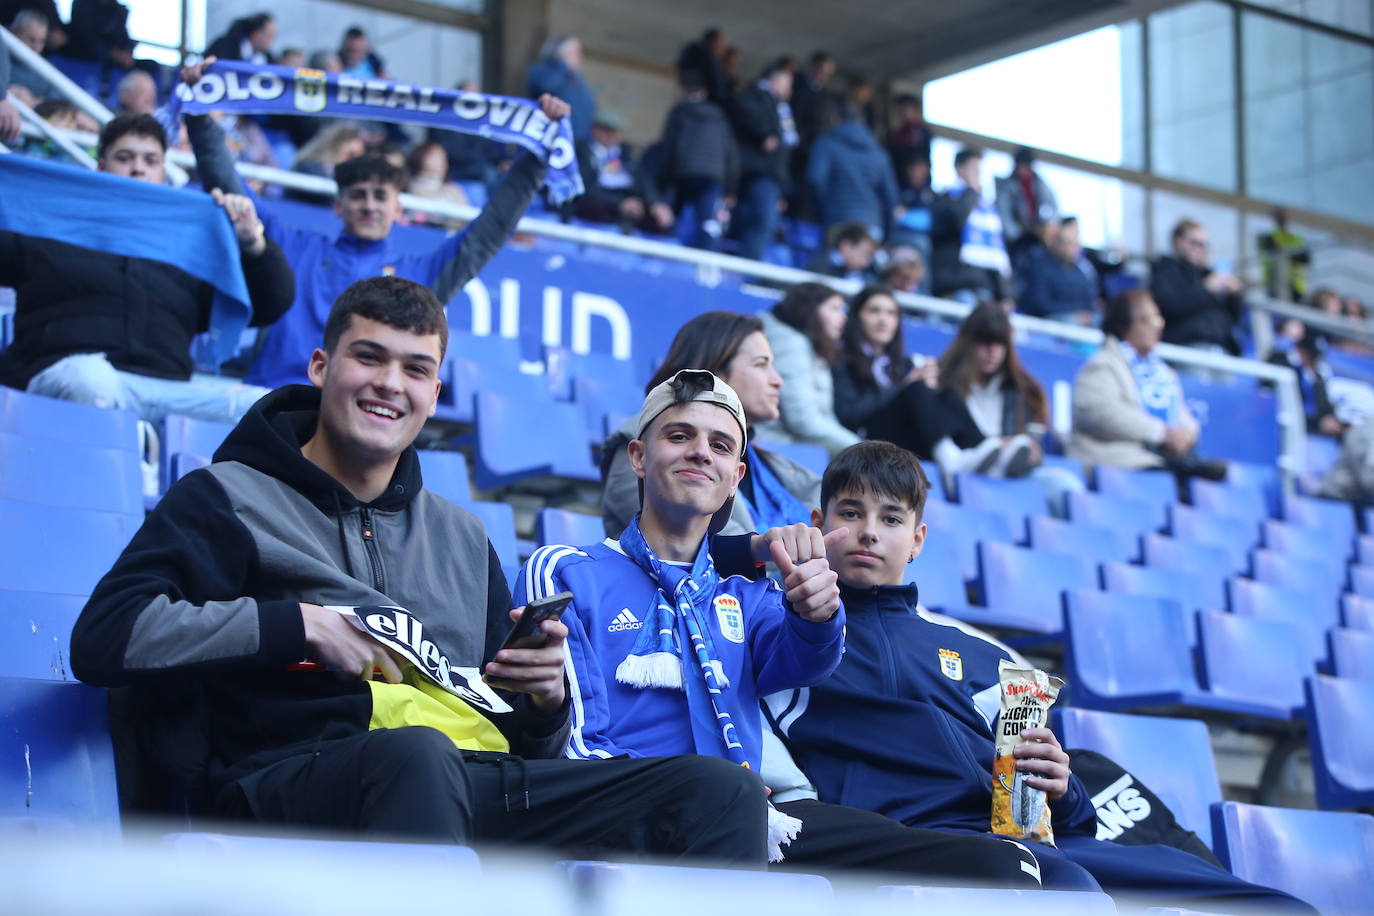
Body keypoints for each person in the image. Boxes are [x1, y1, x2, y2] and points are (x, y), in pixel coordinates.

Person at [68, 276, 770, 863]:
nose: (389, 384)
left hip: (466, 775)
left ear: (435, 393)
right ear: (320, 368)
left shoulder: (462, 534)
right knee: (418, 756)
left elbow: (518, 730)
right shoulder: (226, 495)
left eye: (414, 369)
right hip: (290, 778)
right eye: (368, 358)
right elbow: (106, 636)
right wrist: (299, 625)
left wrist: (544, 698)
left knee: (718, 793)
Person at [523, 372, 1046, 886]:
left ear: (736, 476)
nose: (701, 452)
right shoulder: (568, 570)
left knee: (1003, 867)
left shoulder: (747, 597)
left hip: (747, 817)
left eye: (721, 445)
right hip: (629, 806)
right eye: (679, 436)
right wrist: (703, 792)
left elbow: (806, 658)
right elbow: (576, 747)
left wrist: (818, 611)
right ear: (638, 456)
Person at [766, 439, 1316, 912]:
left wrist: (1065, 787)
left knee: (1271, 906)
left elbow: (1050, 800)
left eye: (891, 518)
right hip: (925, 845)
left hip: (1035, 838)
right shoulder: (784, 633)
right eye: (850, 513)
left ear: (918, 539)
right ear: (819, 525)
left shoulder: (981, 653)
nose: (868, 532)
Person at [183, 58, 571, 390]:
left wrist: (535, 159)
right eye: (358, 195)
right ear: (338, 205)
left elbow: (490, 229)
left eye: (380, 196)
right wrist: (200, 114)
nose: (369, 205)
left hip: (355, 421)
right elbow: (231, 192)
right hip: (272, 402)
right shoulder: (291, 246)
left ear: (397, 208)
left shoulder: (419, 278)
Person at [0, 113, 294, 423]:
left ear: (164, 174)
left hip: (165, 390)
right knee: (92, 380)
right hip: (67, 378)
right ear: (101, 168)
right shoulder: (49, 227)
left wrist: (252, 242)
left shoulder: (189, 246)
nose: (138, 168)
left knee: (262, 408)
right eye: (124, 158)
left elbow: (271, 302)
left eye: (151, 160)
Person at [601, 311, 820, 538]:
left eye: (720, 446)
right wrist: (777, 558)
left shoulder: (772, 466)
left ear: (738, 473)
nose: (777, 380)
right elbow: (687, 540)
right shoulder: (638, 439)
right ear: (714, 372)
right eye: (761, 365)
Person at [832, 291, 1037, 481]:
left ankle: (987, 451)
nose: (883, 320)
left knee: (944, 393)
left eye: (891, 313)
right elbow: (850, 414)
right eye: (874, 311)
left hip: (905, 446)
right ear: (857, 316)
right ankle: (953, 458)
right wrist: (905, 386)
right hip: (866, 442)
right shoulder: (842, 361)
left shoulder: (903, 364)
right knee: (919, 388)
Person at [936, 303, 1084, 508]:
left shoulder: (1025, 391)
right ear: (968, 343)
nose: (992, 351)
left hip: (1012, 478)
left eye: (999, 343)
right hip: (969, 472)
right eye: (984, 342)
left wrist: (1033, 451)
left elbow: (1033, 444)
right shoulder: (942, 386)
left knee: (1065, 484)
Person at [1068, 290, 1225, 482]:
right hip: (1115, 462)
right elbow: (1100, 413)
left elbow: (1182, 415)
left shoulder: (1163, 372)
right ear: (1123, 326)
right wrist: (1161, 433)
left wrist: (1186, 434)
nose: (1156, 327)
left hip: (1160, 461)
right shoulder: (1103, 364)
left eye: (1158, 320)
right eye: (1146, 320)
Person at [753, 282, 860, 456]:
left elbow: (825, 417)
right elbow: (802, 420)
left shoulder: (812, 347)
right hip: (774, 447)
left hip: (795, 448)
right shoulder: (790, 343)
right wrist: (860, 449)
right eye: (835, 308)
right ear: (810, 309)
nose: (843, 317)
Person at [657, 72, 737, 251]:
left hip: (681, 175)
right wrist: (731, 189)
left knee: (670, 219)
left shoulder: (678, 112)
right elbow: (731, 155)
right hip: (712, 177)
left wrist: (663, 182)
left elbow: (668, 148)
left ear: (682, 91)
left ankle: (664, 262)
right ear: (703, 93)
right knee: (709, 226)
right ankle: (707, 273)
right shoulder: (720, 117)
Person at [805, 95, 898, 241]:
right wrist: (888, 236)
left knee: (835, 263)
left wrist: (824, 209)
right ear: (862, 122)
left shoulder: (826, 143)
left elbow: (815, 180)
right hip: (872, 227)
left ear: (836, 119)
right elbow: (891, 198)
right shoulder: (879, 153)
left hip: (837, 221)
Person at [729, 60, 795, 261]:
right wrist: (766, 133)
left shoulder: (782, 109)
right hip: (759, 174)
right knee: (762, 221)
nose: (789, 89)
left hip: (767, 176)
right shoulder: (759, 98)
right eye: (786, 83)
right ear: (774, 82)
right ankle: (749, 271)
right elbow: (747, 113)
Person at [1150, 219, 1243, 356]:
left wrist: (1235, 295)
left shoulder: (1208, 275)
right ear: (1178, 241)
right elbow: (1168, 305)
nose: (1201, 249)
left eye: (1204, 245)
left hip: (1222, 350)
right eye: (1195, 243)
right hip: (1187, 348)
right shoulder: (1164, 271)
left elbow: (1232, 319)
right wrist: (1206, 289)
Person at [931, 147, 1011, 305]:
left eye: (979, 170)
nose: (978, 175)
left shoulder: (988, 211)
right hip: (954, 284)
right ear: (959, 168)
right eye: (973, 169)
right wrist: (970, 192)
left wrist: (1005, 295)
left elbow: (996, 253)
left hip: (983, 287)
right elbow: (957, 222)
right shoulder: (945, 199)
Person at [573, 108, 672, 234]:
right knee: (594, 209)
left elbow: (642, 180)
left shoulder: (625, 153)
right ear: (595, 130)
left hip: (629, 204)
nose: (614, 136)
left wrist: (655, 204)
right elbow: (584, 186)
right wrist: (619, 203)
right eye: (608, 131)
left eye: (616, 132)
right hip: (600, 203)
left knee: (658, 222)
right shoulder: (582, 152)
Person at [1018, 219, 1098, 324]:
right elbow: (1040, 304)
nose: (1072, 248)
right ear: (1056, 244)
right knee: (1070, 320)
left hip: (1081, 319)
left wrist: (1082, 314)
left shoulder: (1084, 270)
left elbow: (1089, 302)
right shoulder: (1040, 267)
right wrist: (1074, 313)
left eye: (1075, 244)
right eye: (1067, 243)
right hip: (1050, 321)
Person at [525, 35, 596, 143]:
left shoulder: (576, 79)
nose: (579, 56)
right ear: (559, 51)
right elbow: (545, 86)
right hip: (550, 138)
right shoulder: (543, 70)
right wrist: (562, 64)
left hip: (578, 141)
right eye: (575, 52)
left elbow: (589, 107)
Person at [995, 146, 1059, 262]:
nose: (1022, 169)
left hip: (1037, 236)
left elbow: (1053, 206)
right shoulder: (1007, 186)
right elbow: (1004, 215)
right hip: (1017, 240)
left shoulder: (1039, 184)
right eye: (1020, 165)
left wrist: (1047, 227)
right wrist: (1018, 235)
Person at [285, 121, 365, 200]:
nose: (355, 162)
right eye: (350, 155)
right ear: (332, 148)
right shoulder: (306, 167)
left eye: (359, 158)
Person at [405, 141, 471, 231]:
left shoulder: (454, 189)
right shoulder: (408, 185)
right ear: (420, 156)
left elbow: (465, 218)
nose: (441, 161)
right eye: (434, 156)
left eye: (443, 158)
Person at [1257, 206, 1309, 302]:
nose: (1283, 218)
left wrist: (1285, 252)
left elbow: (1305, 258)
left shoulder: (1296, 237)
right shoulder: (1268, 236)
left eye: (1284, 215)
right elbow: (1273, 250)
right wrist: (1290, 253)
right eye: (1280, 215)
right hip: (1274, 283)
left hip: (1296, 285)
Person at [675, 28, 730, 108]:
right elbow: (715, 81)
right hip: (699, 95)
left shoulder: (693, 49)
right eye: (721, 42)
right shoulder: (708, 55)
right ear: (713, 41)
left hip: (686, 91)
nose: (723, 46)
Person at [807, 222, 878, 284]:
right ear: (846, 246)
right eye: (864, 254)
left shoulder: (865, 276)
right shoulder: (820, 266)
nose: (866, 263)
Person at [887, 94, 932, 183]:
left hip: (918, 182)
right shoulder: (897, 133)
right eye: (901, 109)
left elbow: (925, 157)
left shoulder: (922, 132)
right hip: (899, 180)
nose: (903, 112)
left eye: (906, 108)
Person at [206, 12, 276, 64]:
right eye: (269, 36)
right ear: (256, 34)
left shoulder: (268, 58)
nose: (271, 41)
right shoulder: (225, 46)